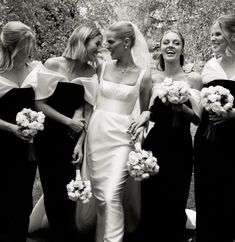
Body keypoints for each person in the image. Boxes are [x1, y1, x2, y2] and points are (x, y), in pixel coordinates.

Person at [129, 30, 202, 242]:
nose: (170, 46)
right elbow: (146, 113)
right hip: (156, 143)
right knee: (151, 195)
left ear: (182, 48)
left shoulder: (193, 78)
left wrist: (181, 108)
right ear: (160, 48)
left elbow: (197, 119)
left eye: (176, 42)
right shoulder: (151, 78)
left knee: (176, 194)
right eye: (166, 42)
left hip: (180, 144)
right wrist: (139, 146)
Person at [32, 24, 103, 242]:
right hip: (48, 136)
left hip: (72, 139)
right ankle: (57, 234)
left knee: (70, 190)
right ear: (82, 40)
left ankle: (68, 234)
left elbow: (89, 107)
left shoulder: (91, 71)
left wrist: (80, 141)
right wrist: (67, 121)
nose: (99, 49)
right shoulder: (53, 64)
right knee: (52, 190)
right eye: (96, 44)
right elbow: (39, 102)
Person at [84, 21, 152, 242]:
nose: (106, 46)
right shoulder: (101, 67)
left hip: (124, 138)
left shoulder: (144, 77)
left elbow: (145, 112)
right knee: (101, 196)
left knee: (112, 193)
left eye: (111, 42)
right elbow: (86, 102)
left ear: (127, 42)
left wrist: (146, 116)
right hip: (97, 134)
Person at [194, 14, 235, 242]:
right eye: (211, 34)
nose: (212, 38)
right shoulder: (210, 66)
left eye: (217, 33)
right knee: (209, 193)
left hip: (234, 140)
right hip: (209, 140)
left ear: (233, 35)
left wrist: (233, 115)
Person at [0, 21, 43, 242]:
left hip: (27, 146)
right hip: (2, 143)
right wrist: (10, 127)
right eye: (27, 44)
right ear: (11, 46)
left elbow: (46, 103)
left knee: (22, 198)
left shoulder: (37, 69)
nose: (31, 49)